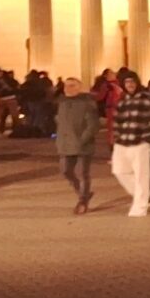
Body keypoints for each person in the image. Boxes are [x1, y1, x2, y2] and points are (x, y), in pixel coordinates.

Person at [108, 71, 150, 217]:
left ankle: (140, 207)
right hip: (123, 141)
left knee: (141, 175)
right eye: (127, 83)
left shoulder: (147, 98)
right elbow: (117, 120)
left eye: (132, 82)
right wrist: (116, 138)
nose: (130, 85)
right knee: (119, 170)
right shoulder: (122, 100)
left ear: (137, 83)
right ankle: (146, 195)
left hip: (140, 141)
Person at [54, 76, 101, 215]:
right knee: (66, 171)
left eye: (72, 85)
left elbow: (93, 125)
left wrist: (82, 140)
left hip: (82, 145)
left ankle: (83, 201)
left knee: (82, 173)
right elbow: (59, 121)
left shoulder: (87, 103)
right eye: (66, 85)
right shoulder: (61, 103)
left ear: (79, 88)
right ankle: (83, 192)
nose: (68, 88)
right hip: (65, 144)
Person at [0, 67, 20, 135]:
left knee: (14, 115)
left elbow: (15, 85)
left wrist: (9, 89)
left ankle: (16, 130)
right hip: (1, 98)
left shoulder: (7, 77)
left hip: (10, 98)